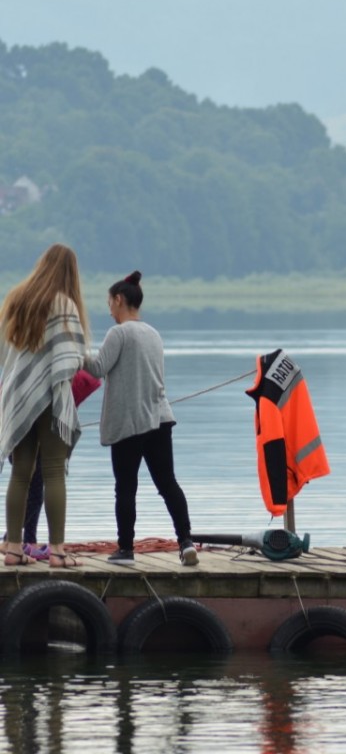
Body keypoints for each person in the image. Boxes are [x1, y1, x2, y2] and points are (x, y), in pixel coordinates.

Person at [83, 271, 198, 566]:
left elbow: (97, 368)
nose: (109, 309)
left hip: (130, 422)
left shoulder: (118, 333)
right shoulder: (153, 333)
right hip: (159, 419)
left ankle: (126, 549)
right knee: (167, 482)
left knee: (126, 486)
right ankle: (186, 542)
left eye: (110, 303)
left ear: (119, 300)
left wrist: (76, 350)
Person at [0, 243, 89, 568]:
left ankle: (12, 549)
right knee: (53, 472)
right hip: (51, 395)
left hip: (17, 394)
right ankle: (57, 551)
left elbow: (4, 352)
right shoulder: (63, 302)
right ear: (70, 272)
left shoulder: (16, 297)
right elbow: (71, 357)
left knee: (20, 472)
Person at [0, 369, 101, 560]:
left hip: (15, 425)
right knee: (37, 490)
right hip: (35, 432)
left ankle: (24, 541)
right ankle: (14, 541)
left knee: (24, 483)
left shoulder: (20, 371)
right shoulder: (67, 381)